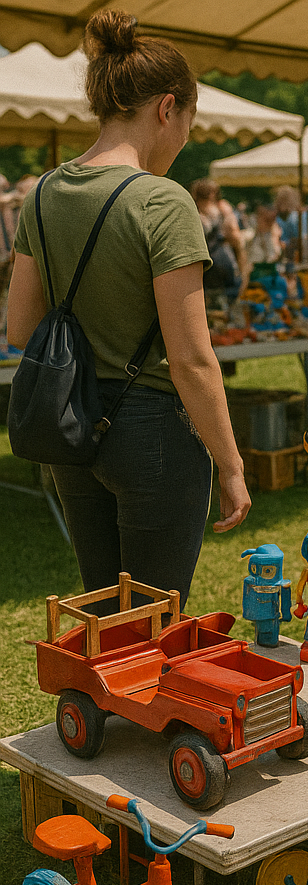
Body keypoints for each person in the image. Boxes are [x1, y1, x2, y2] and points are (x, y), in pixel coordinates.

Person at [6, 9, 250, 610]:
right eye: (187, 124)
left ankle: (100, 707)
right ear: (168, 108)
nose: (184, 141)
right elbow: (192, 359)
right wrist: (232, 465)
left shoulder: (42, 193)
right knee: (155, 619)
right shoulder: (163, 202)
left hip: (73, 423)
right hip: (154, 433)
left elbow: (19, 327)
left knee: (104, 614)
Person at [190, 177, 245, 302]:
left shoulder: (195, 212)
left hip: (208, 265)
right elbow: (236, 238)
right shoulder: (223, 209)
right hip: (221, 263)